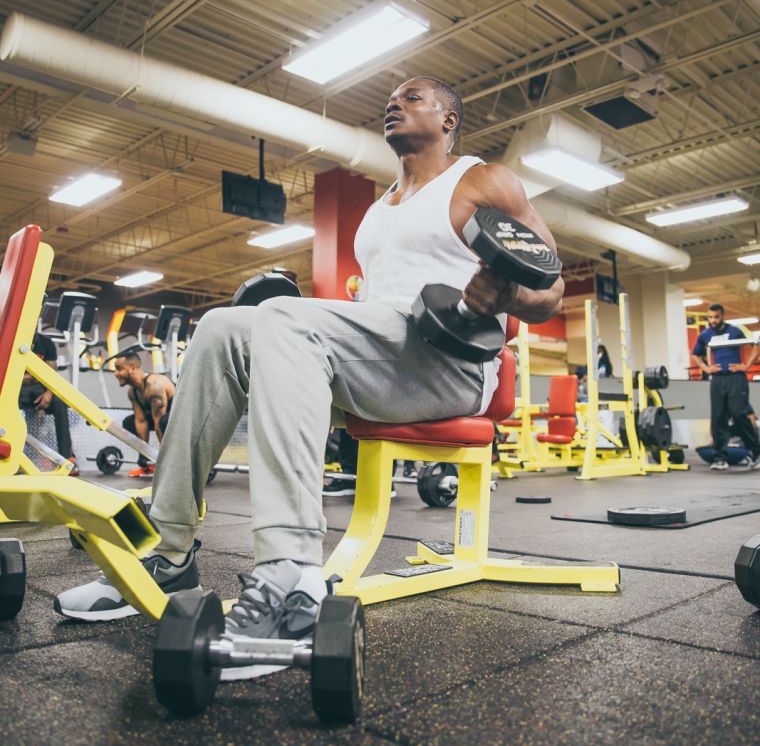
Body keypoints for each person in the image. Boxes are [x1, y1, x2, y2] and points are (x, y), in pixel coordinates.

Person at [55, 76, 564, 646]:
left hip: (449, 364)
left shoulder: (482, 179)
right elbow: (374, 313)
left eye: (412, 97)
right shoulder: (379, 210)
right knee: (221, 328)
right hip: (384, 360)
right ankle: (167, 551)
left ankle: (291, 576)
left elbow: (551, 289)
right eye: (390, 98)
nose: (394, 103)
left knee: (284, 316)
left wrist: (507, 294)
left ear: (449, 119)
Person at [691, 304, 760, 471]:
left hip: (736, 378)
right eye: (710, 317)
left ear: (722, 316)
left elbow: (756, 345)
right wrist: (706, 369)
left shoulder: (736, 330)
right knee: (718, 417)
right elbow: (695, 354)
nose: (713, 320)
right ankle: (720, 457)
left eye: (716, 317)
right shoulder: (705, 335)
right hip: (717, 379)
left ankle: (756, 451)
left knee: (739, 413)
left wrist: (746, 366)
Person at [19, 329, 78, 475]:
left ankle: (67, 458)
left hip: (40, 388)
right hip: (17, 387)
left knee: (59, 403)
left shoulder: (46, 343)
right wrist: (19, 377)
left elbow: (52, 374)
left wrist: (49, 394)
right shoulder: (13, 339)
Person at [112, 350, 175, 477]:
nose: (115, 373)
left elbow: (158, 424)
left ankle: (172, 462)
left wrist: (164, 461)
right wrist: (144, 454)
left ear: (133, 368)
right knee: (129, 423)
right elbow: (141, 421)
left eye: (119, 369)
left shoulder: (154, 385)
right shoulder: (133, 392)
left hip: (183, 419)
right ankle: (149, 465)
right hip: (162, 419)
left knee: (163, 422)